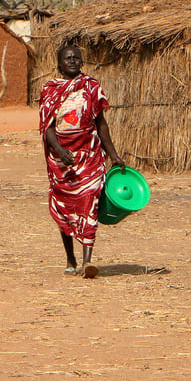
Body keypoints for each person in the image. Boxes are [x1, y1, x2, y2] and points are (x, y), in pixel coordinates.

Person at [39, 44, 125, 279]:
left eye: (76, 57)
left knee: (89, 205)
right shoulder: (50, 89)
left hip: (89, 156)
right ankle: (70, 258)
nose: (72, 61)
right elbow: (47, 127)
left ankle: (87, 262)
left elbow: (101, 124)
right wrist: (59, 149)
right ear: (59, 63)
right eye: (67, 58)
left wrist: (114, 155)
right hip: (61, 161)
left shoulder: (92, 87)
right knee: (65, 208)